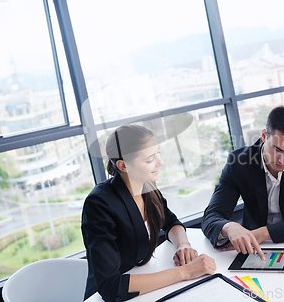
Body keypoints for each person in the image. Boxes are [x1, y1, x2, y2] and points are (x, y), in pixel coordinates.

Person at [82, 124, 215, 302]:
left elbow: (170, 221)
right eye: (150, 159)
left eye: (158, 153)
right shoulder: (99, 204)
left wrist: (183, 244)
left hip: (145, 284)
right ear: (123, 165)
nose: (160, 162)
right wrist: (185, 272)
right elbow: (110, 286)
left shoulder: (147, 186)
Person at [201, 106, 284, 259]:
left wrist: (264, 232)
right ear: (264, 136)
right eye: (278, 149)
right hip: (254, 247)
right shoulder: (239, 162)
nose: (283, 160)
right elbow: (211, 216)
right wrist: (229, 226)